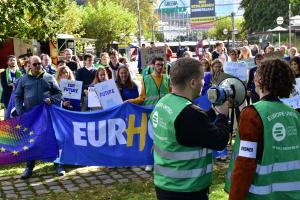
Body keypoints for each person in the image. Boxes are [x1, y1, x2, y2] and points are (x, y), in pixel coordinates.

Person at [151, 57, 230, 200]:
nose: (203, 83)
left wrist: (213, 111)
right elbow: (219, 141)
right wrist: (223, 116)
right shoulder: (191, 114)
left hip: (164, 186)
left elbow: (193, 129)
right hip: (188, 190)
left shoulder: (163, 103)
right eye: (202, 79)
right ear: (192, 83)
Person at [229, 58, 300, 200]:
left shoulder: (252, 114)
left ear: (259, 79)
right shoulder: (295, 115)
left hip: (262, 195)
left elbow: (245, 162)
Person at [14, 55, 62, 179]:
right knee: (31, 141)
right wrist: (20, 111)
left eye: (39, 63)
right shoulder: (23, 80)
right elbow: (18, 96)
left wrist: (51, 99)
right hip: (30, 116)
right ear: (29, 65)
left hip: (47, 115)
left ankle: (58, 164)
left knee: (52, 139)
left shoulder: (48, 77)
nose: (38, 66)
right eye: (34, 64)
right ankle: (29, 167)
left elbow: (59, 93)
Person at [128, 56, 171, 171]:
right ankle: (150, 162)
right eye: (158, 65)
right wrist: (129, 102)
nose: (160, 67)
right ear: (153, 66)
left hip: (164, 114)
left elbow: (171, 95)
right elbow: (142, 97)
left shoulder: (167, 78)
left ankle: (162, 161)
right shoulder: (146, 79)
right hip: (150, 114)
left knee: (163, 139)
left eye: (162, 65)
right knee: (150, 139)